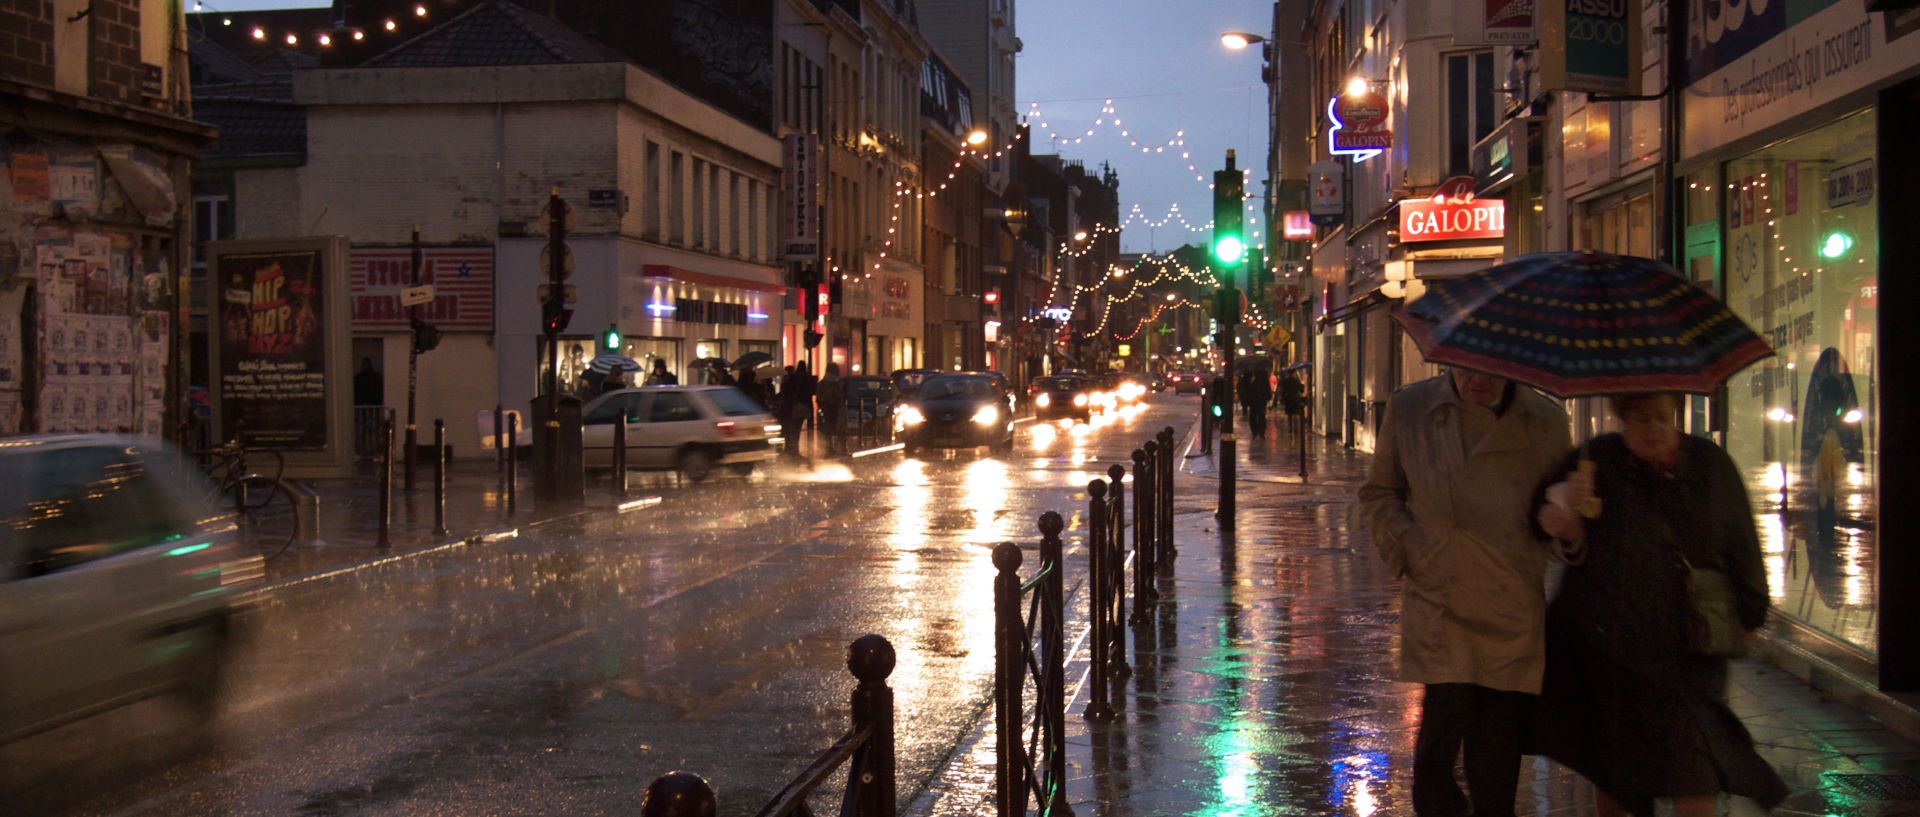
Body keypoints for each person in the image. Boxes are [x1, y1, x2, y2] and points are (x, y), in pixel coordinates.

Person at [1532, 393, 1786, 817]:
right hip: (1611, 646)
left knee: (1694, 764)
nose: (1654, 429)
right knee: (1617, 768)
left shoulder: (1708, 462)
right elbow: (1542, 519)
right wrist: (1565, 506)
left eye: (1662, 418)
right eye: (1641, 419)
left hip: (1690, 644)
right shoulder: (1597, 460)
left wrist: (1751, 609)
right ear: (1623, 420)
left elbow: (1740, 539)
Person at [1358, 366, 1570, 817]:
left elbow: (1557, 517)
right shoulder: (1411, 408)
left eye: (1492, 371)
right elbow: (1380, 493)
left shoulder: (1545, 420)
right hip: (1441, 597)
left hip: (1509, 604)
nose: (1479, 380)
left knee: (1496, 758)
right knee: (1435, 753)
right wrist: (1412, 548)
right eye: (1468, 368)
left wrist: (1568, 520)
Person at [816, 362, 846, 455]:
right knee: (838, 426)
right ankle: (841, 446)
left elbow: (818, 395)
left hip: (825, 406)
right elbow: (841, 394)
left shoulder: (822, 382)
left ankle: (828, 446)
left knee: (828, 427)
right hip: (835, 406)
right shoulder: (838, 383)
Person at [1241, 369, 1272, 440]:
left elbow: (1247, 389)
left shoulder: (1252, 379)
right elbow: (1268, 390)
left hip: (1255, 401)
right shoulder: (1264, 378)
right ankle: (1261, 432)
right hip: (1260, 401)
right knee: (1261, 416)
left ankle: (1256, 432)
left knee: (1254, 416)